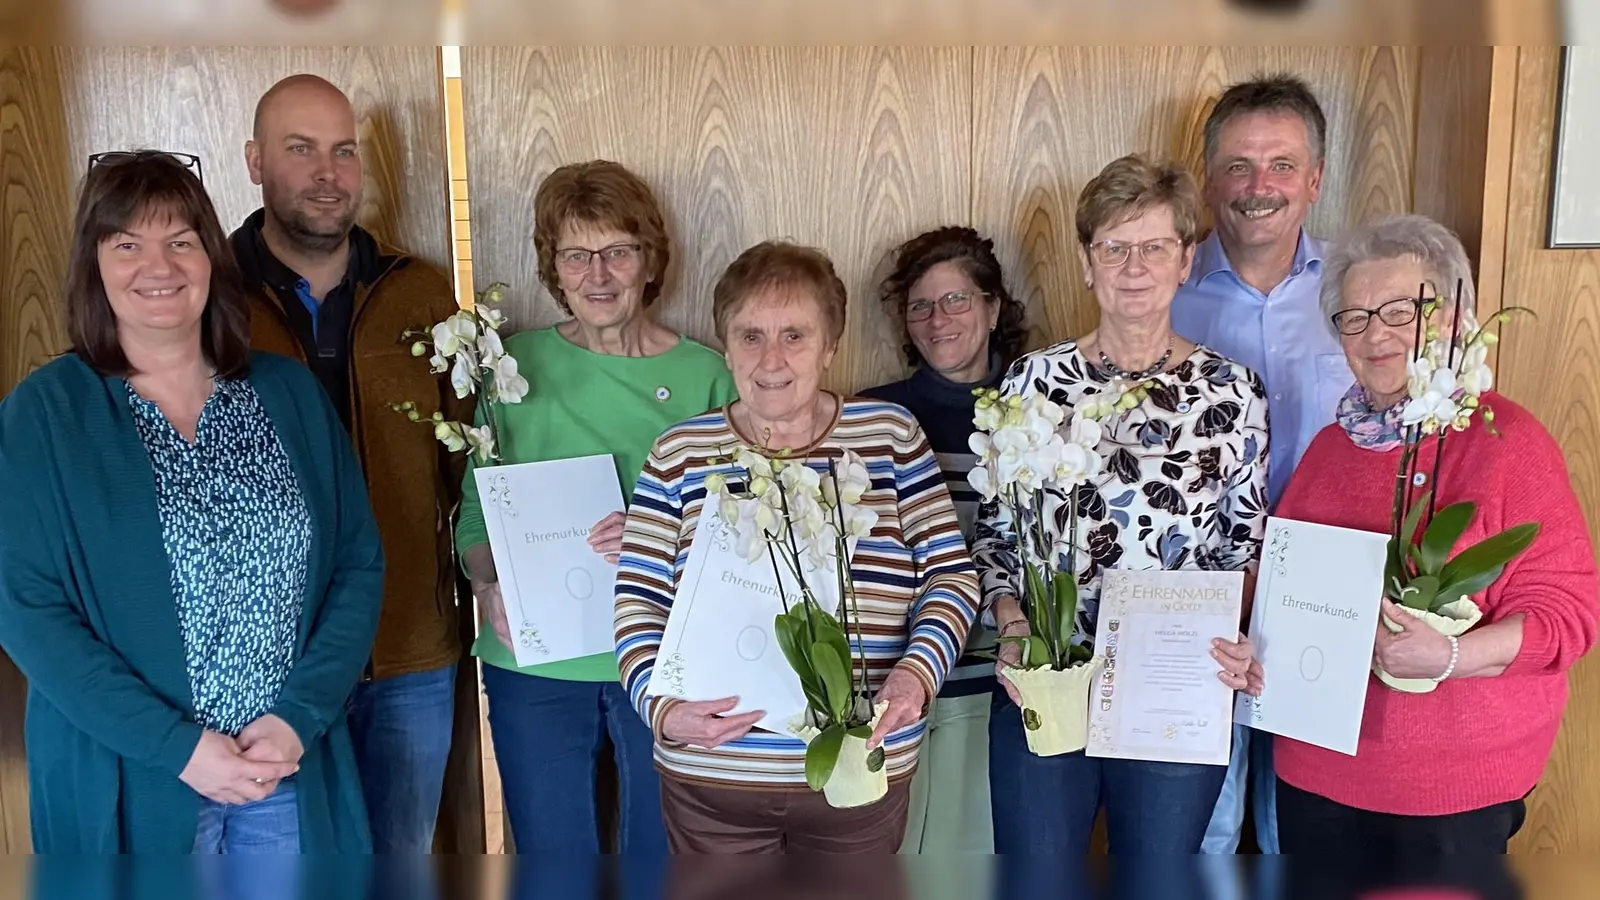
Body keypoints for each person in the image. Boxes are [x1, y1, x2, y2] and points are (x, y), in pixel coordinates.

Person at [0, 151, 382, 857]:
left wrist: (297, 718)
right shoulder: (44, 415)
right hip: (130, 775)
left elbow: (357, 566)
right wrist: (178, 747)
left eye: (181, 241)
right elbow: (24, 608)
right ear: (93, 265)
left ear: (211, 257)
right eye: (127, 245)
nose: (160, 266)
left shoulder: (287, 394)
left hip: (282, 771)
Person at [614, 240, 981, 852]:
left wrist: (915, 677)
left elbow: (950, 577)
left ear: (830, 345)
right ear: (726, 348)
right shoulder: (680, 453)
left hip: (862, 764)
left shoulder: (889, 437)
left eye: (795, 335)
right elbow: (637, 601)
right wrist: (663, 710)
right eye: (750, 335)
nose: (771, 358)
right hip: (716, 775)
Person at [1271, 213, 1598, 869]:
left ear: (1452, 318)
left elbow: (1570, 617)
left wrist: (1452, 656)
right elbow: (1289, 593)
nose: (1377, 334)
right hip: (1315, 767)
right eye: (1355, 317)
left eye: (1402, 310)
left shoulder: (1507, 443)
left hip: (1453, 785)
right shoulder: (1329, 450)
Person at [975, 154, 1265, 856]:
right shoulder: (1032, 383)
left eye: (1155, 247)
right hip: (1044, 674)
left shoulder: (1233, 392)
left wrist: (1236, 633)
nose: (1134, 267)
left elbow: (1244, 548)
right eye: (1114, 248)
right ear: (1086, 261)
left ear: (1186, 260)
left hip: (1175, 685)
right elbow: (995, 537)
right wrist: (1011, 625)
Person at [456, 160, 736, 853]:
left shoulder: (706, 375)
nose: (598, 274)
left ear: (650, 260)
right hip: (535, 663)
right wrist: (488, 586)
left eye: (617, 251)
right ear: (553, 268)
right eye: (575, 255)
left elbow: (742, 529)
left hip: (666, 660)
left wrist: (657, 534)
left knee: (661, 862)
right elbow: (477, 509)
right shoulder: (511, 369)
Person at [231, 73, 471, 853]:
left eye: (343, 151)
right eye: (301, 149)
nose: (328, 173)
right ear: (255, 161)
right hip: (270, 667)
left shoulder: (420, 293)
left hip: (408, 653)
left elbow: (471, 462)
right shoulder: (213, 299)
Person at [1171, 73, 1353, 856]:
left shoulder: (1359, 292)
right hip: (1202, 584)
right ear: (1210, 180)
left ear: (1315, 179)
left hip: (1331, 588)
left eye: (1282, 165)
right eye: (1238, 166)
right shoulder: (1162, 290)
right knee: (1203, 825)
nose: (1259, 187)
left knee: (1300, 827)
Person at [859, 226, 1029, 855]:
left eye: (956, 299)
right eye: (920, 306)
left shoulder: (1036, 410)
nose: (938, 320)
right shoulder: (871, 417)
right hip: (888, 678)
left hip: (994, 681)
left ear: (993, 307)